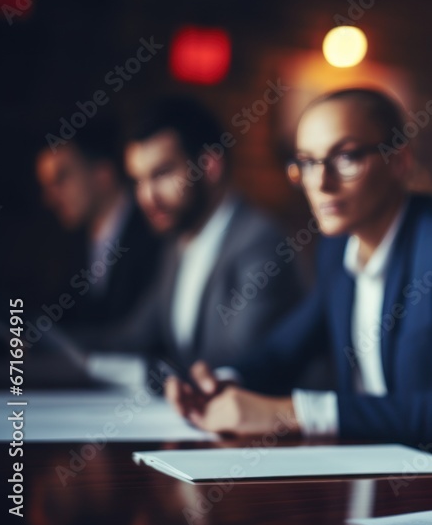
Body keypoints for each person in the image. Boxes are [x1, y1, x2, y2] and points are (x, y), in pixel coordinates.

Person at [165, 88, 432, 447]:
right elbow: (284, 350)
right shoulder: (336, 247)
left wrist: (288, 413)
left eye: (345, 157)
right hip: (360, 470)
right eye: (307, 162)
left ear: (399, 161)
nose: (321, 183)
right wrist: (220, 383)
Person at [92, 97, 304, 380]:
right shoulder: (177, 242)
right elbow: (134, 336)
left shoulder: (261, 242)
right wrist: (44, 342)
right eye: (139, 180)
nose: (146, 197)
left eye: (162, 174)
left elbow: (237, 360)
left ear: (210, 166)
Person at [35, 116, 161, 328]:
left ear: (103, 175)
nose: (50, 199)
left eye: (61, 178)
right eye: (46, 186)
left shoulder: (156, 234)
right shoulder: (70, 245)